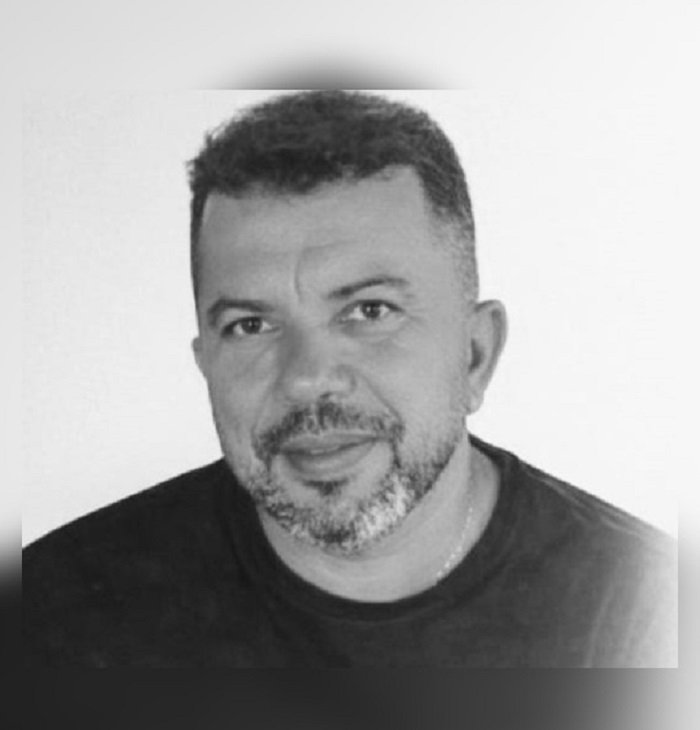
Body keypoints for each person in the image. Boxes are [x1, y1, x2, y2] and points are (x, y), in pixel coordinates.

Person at [23, 90, 677, 667]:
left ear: (475, 354)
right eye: (251, 325)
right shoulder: (51, 615)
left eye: (369, 312)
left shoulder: (650, 621)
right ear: (206, 365)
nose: (308, 380)